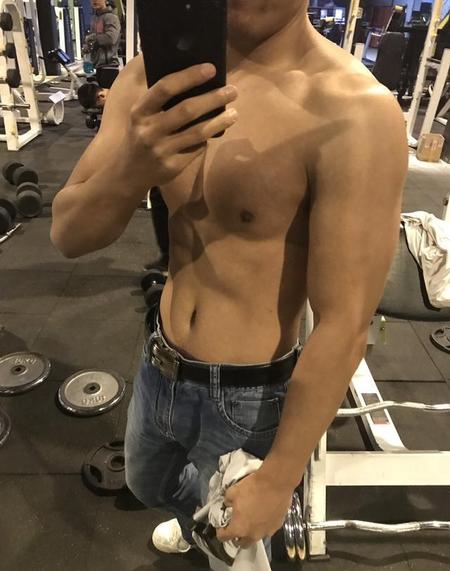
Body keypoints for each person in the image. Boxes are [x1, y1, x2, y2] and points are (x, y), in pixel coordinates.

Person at [51, 0, 408, 563]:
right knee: (147, 484)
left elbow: (344, 323)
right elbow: (68, 234)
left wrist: (279, 478)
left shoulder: (354, 110)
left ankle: (217, 532)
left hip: (249, 395)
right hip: (159, 359)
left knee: (240, 544)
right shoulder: (152, 78)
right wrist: (132, 168)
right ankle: (197, 520)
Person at [83, 0, 121, 69]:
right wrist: (88, 45)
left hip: (109, 66)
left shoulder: (111, 17)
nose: (94, 1)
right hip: (96, 65)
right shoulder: (94, 18)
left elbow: (111, 38)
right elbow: (92, 39)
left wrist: (93, 38)